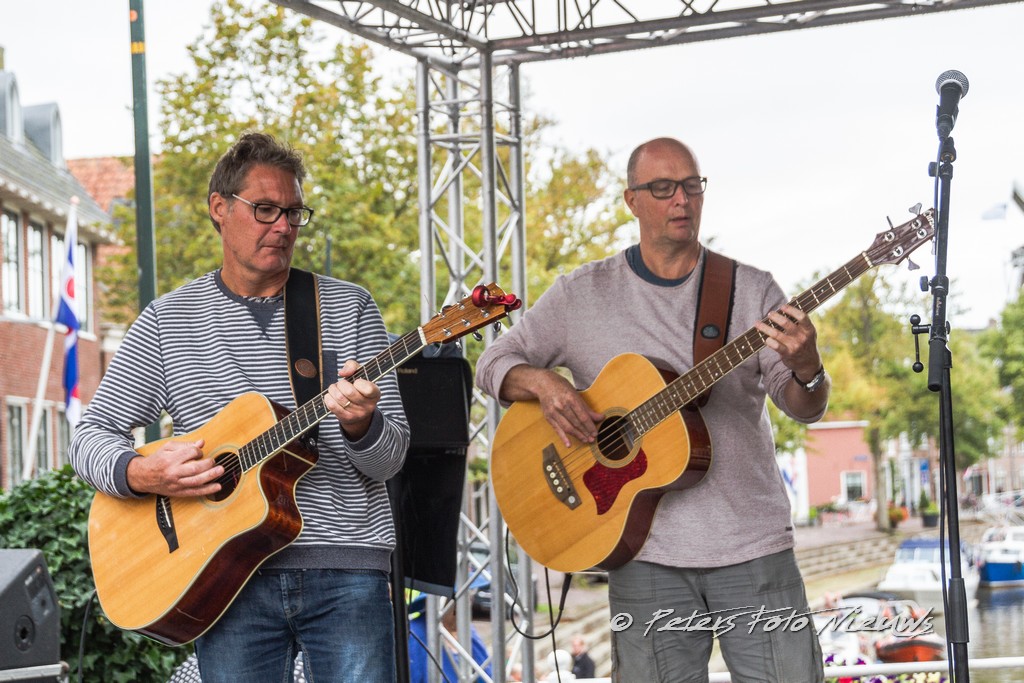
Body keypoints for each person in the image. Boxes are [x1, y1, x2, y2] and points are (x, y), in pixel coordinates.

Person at [475, 137, 829, 682]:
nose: (681, 200)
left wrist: (808, 366)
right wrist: (544, 384)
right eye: (663, 188)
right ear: (631, 200)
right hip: (642, 554)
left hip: (752, 547)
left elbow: (804, 407)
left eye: (692, 185)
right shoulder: (580, 293)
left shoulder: (751, 290)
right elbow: (493, 363)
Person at [70, 132, 410, 682]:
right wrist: (140, 472)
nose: (284, 226)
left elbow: (390, 460)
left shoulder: (349, 306)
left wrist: (362, 424)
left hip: (345, 569)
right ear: (219, 208)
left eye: (294, 213)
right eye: (266, 209)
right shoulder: (168, 321)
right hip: (222, 574)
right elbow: (89, 435)